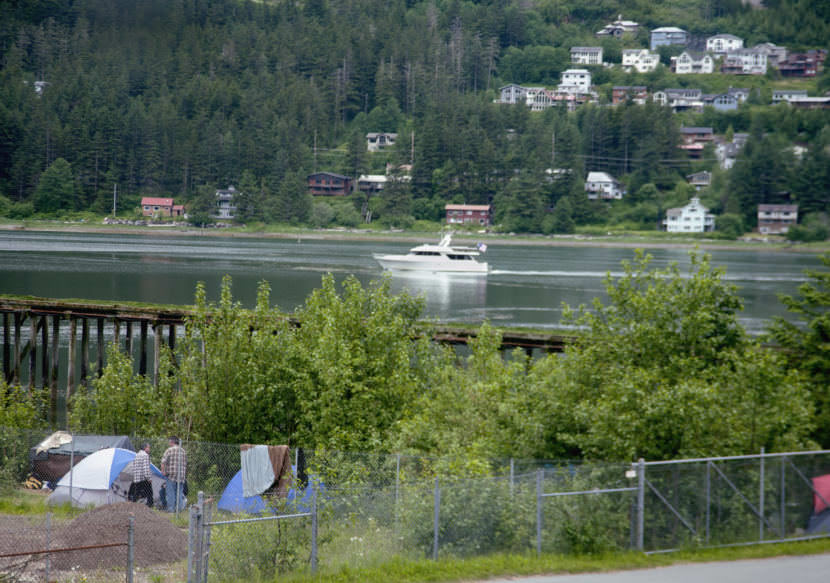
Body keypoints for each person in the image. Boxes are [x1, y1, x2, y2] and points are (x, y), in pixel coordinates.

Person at [161, 436, 187, 512]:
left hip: (171, 475)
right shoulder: (183, 451)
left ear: (172, 442)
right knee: (179, 493)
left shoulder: (169, 450)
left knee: (170, 493)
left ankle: (171, 510)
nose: (169, 443)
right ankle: (179, 510)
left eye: (169, 441)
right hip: (181, 475)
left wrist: (163, 471)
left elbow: (163, 462)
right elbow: (185, 464)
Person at [129, 442, 154, 507]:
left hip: (137, 478)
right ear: (145, 448)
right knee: (149, 493)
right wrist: (149, 478)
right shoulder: (145, 455)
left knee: (136, 493)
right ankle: (150, 506)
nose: (149, 449)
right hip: (143, 478)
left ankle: (133, 505)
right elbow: (146, 468)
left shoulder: (137, 455)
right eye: (149, 447)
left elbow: (134, 466)